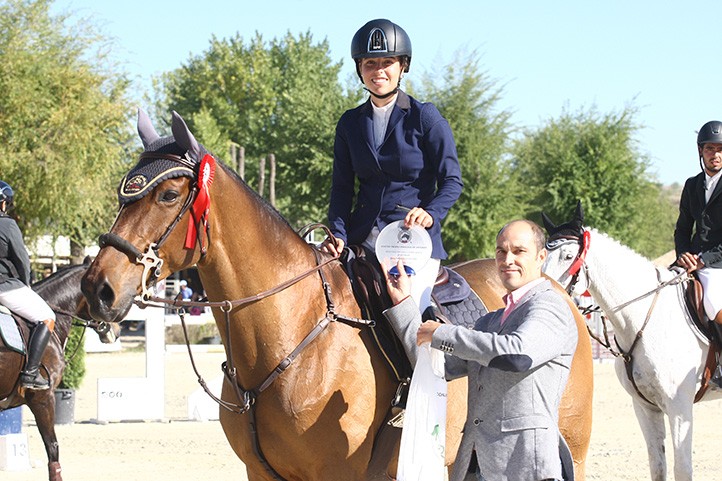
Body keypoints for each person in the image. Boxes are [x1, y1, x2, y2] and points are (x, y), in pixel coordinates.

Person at [383, 220, 577, 481]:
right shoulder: (489, 321)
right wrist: (404, 304)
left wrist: (442, 333)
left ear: (541, 257)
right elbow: (439, 367)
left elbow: (517, 355)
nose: (507, 259)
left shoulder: (550, 306)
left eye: (519, 251)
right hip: (474, 465)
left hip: (525, 466)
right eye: (501, 251)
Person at [321, 18, 463, 311]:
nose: (379, 70)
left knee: (414, 318)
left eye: (387, 62)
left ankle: (428, 356)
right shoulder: (349, 123)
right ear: (360, 68)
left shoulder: (425, 118)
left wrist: (430, 213)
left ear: (402, 67)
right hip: (362, 240)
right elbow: (342, 189)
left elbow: (452, 181)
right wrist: (337, 234)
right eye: (370, 63)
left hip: (410, 242)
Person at [674, 120, 722, 386]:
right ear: (700, 151)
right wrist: (684, 255)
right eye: (709, 149)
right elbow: (682, 230)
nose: (715, 154)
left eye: (720, 149)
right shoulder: (692, 185)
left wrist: (703, 260)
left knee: (713, 301)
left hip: (718, 263)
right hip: (691, 260)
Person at [0, 181, 57, 390]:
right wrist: (27, 284)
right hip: (5, 287)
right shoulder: (7, 224)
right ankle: (31, 373)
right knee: (48, 317)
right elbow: (21, 258)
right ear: (3, 203)